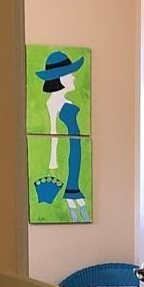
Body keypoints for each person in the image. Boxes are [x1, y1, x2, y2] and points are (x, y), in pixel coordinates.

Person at [34, 50, 88, 222]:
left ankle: (76, 205)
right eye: (70, 74)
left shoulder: (67, 101)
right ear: (60, 78)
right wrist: (53, 159)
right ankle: (74, 204)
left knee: (75, 172)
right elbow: (53, 132)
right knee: (72, 177)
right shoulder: (52, 103)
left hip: (76, 146)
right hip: (71, 147)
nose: (73, 77)